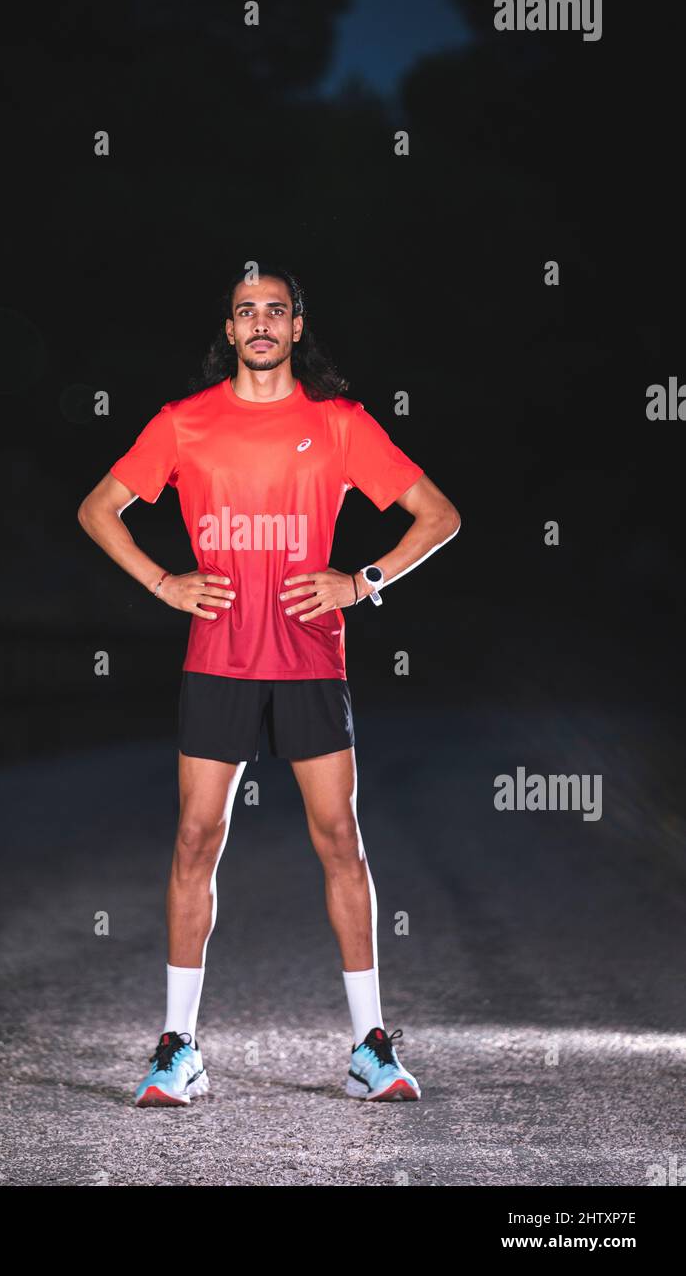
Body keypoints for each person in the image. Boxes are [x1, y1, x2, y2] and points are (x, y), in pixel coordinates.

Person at [77, 264, 460, 1106]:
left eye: (274, 312)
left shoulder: (338, 423)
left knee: (339, 841)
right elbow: (98, 508)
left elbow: (439, 515)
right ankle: (178, 1048)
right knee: (194, 840)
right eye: (245, 312)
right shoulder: (184, 425)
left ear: (296, 327)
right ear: (228, 330)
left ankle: (371, 1048)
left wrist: (362, 580)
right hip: (217, 658)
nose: (260, 324)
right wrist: (162, 582)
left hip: (312, 660)